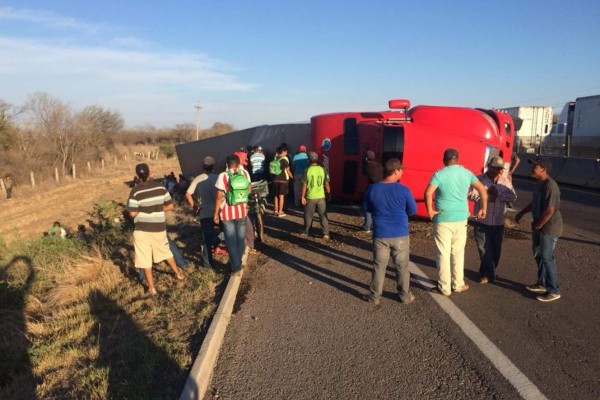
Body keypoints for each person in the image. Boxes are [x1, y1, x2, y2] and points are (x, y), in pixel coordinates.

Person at [424, 148, 488, 296]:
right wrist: (483, 208)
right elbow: (482, 190)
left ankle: (444, 288)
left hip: (443, 219)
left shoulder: (439, 174)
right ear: (458, 159)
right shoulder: (466, 173)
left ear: (444, 160)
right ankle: (458, 284)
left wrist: (430, 211)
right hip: (461, 218)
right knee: (458, 252)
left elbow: (428, 193)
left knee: (443, 253)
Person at [363, 158, 417, 305]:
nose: (402, 172)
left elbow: (367, 208)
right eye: (401, 170)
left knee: (379, 266)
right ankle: (405, 296)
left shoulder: (372, 189)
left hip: (380, 234)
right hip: (400, 234)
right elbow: (412, 210)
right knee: (402, 267)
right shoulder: (404, 190)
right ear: (395, 171)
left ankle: (374, 297)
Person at [127, 163, 184, 296]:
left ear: (137, 176)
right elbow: (170, 206)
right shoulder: (160, 187)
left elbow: (132, 214)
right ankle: (178, 273)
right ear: (150, 172)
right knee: (166, 252)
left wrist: (142, 210)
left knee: (145, 259)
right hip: (159, 228)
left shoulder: (135, 191)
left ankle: (152, 288)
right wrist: (157, 208)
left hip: (141, 230)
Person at [515, 157, 563, 302]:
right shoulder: (538, 183)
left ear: (543, 169)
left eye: (535, 166)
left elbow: (550, 210)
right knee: (538, 254)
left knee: (547, 258)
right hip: (539, 225)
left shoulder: (550, 185)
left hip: (549, 227)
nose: (532, 169)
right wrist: (522, 212)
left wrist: (539, 225)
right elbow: (534, 202)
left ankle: (554, 290)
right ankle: (541, 283)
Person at [469, 156, 517, 284]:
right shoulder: (479, 179)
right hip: (482, 222)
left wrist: (498, 195)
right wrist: (486, 195)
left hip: (498, 222)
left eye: (498, 168)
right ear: (488, 166)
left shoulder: (504, 181)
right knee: (484, 249)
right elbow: (470, 195)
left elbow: (513, 197)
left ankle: (485, 271)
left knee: (496, 250)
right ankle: (489, 274)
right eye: (493, 167)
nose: (495, 170)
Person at [214, 155, 251, 275]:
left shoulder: (223, 176)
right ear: (239, 163)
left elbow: (219, 196)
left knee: (231, 240)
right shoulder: (245, 173)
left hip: (227, 213)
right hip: (242, 211)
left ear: (227, 164)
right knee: (240, 239)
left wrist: (215, 213)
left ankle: (235, 267)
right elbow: (249, 190)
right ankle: (238, 263)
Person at [186, 156, 219, 267]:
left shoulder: (198, 179)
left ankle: (207, 263)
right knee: (226, 232)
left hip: (205, 213)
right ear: (213, 166)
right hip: (219, 212)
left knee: (207, 240)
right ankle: (216, 241)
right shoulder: (219, 177)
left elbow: (188, 194)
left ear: (203, 167)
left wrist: (195, 206)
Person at [300, 152, 330, 239]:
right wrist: (328, 193)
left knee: (308, 215)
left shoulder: (307, 170)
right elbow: (327, 183)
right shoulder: (322, 169)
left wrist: (302, 196)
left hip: (310, 197)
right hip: (321, 197)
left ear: (309, 160)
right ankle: (325, 233)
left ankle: (307, 231)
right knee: (323, 215)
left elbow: (304, 185)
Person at [361, 150, 384, 232]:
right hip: (381, 187)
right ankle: (375, 225)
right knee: (376, 207)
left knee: (367, 206)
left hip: (372, 187)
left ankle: (367, 226)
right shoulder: (379, 166)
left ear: (367, 158)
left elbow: (363, 172)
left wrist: (364, 161)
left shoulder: (368, 166)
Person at [271, 146, 291, 217]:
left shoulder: (274, 158)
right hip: (282, 180)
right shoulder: (284, 160)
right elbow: (288, 171)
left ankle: (276, 210)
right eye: (286, 152)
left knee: (276, 195)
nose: (286, 153)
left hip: (275, 179)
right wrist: (292, 177)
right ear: (282, 152)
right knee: (281, 196)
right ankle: (280, 212)